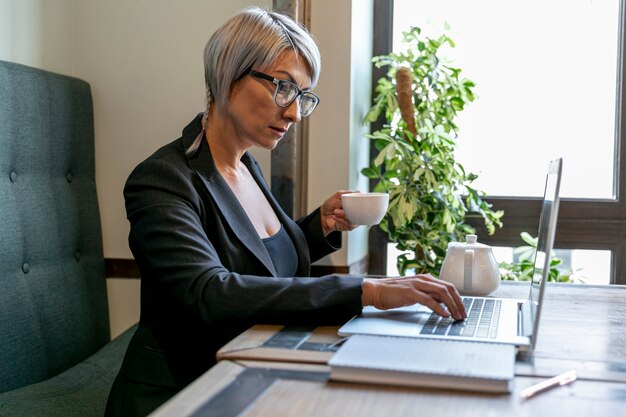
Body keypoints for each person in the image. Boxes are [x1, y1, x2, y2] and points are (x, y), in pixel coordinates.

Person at [104, 6, 466, 417]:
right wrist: (367, 290)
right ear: (228, 74)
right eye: (283, 87)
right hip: (182, 392)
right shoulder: (161, 178)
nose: (294, 112)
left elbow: (254, 260)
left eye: (302, 97)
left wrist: (317, 227)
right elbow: (209, 292)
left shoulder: (247, 166)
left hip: (250, 366)